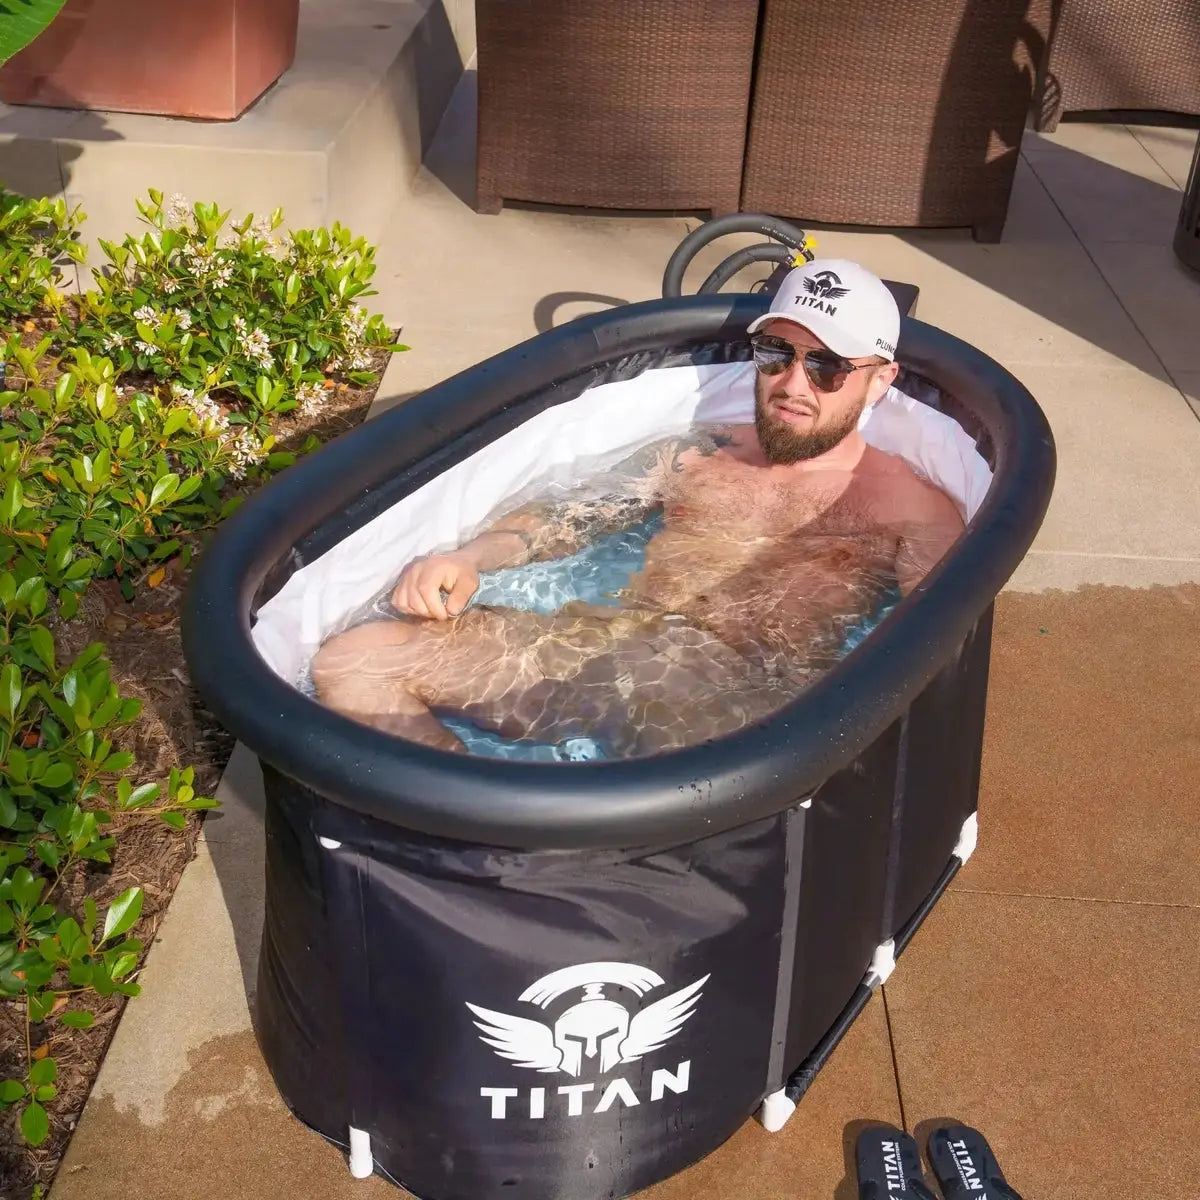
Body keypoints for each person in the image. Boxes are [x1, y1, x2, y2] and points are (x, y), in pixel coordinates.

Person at [312, 259, 964, 756]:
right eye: (776, 355)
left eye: (827, 367)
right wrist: (469, 558)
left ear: (881, 379)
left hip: (736, 706)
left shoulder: (910, 510)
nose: (793, 384)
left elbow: (929, 649)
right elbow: (570, 516)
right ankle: (466, 832)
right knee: (354, 661)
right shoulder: (697, 451)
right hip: (606, 644)